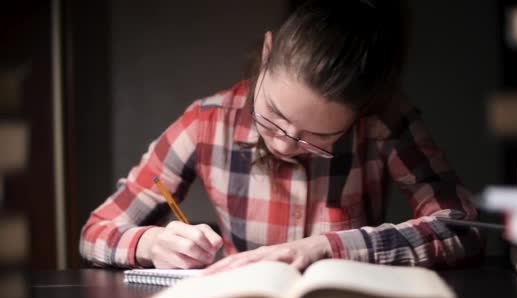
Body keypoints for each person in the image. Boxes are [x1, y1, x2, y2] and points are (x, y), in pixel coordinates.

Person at [80, 0, 484, 273]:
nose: (285, 144)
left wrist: (327, 247)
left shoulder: (383, 121)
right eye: (272, 115)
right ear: (267, 53)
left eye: (317, 137)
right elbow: (95, 232)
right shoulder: (206, 123)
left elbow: (463, 227)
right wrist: (151, 244)